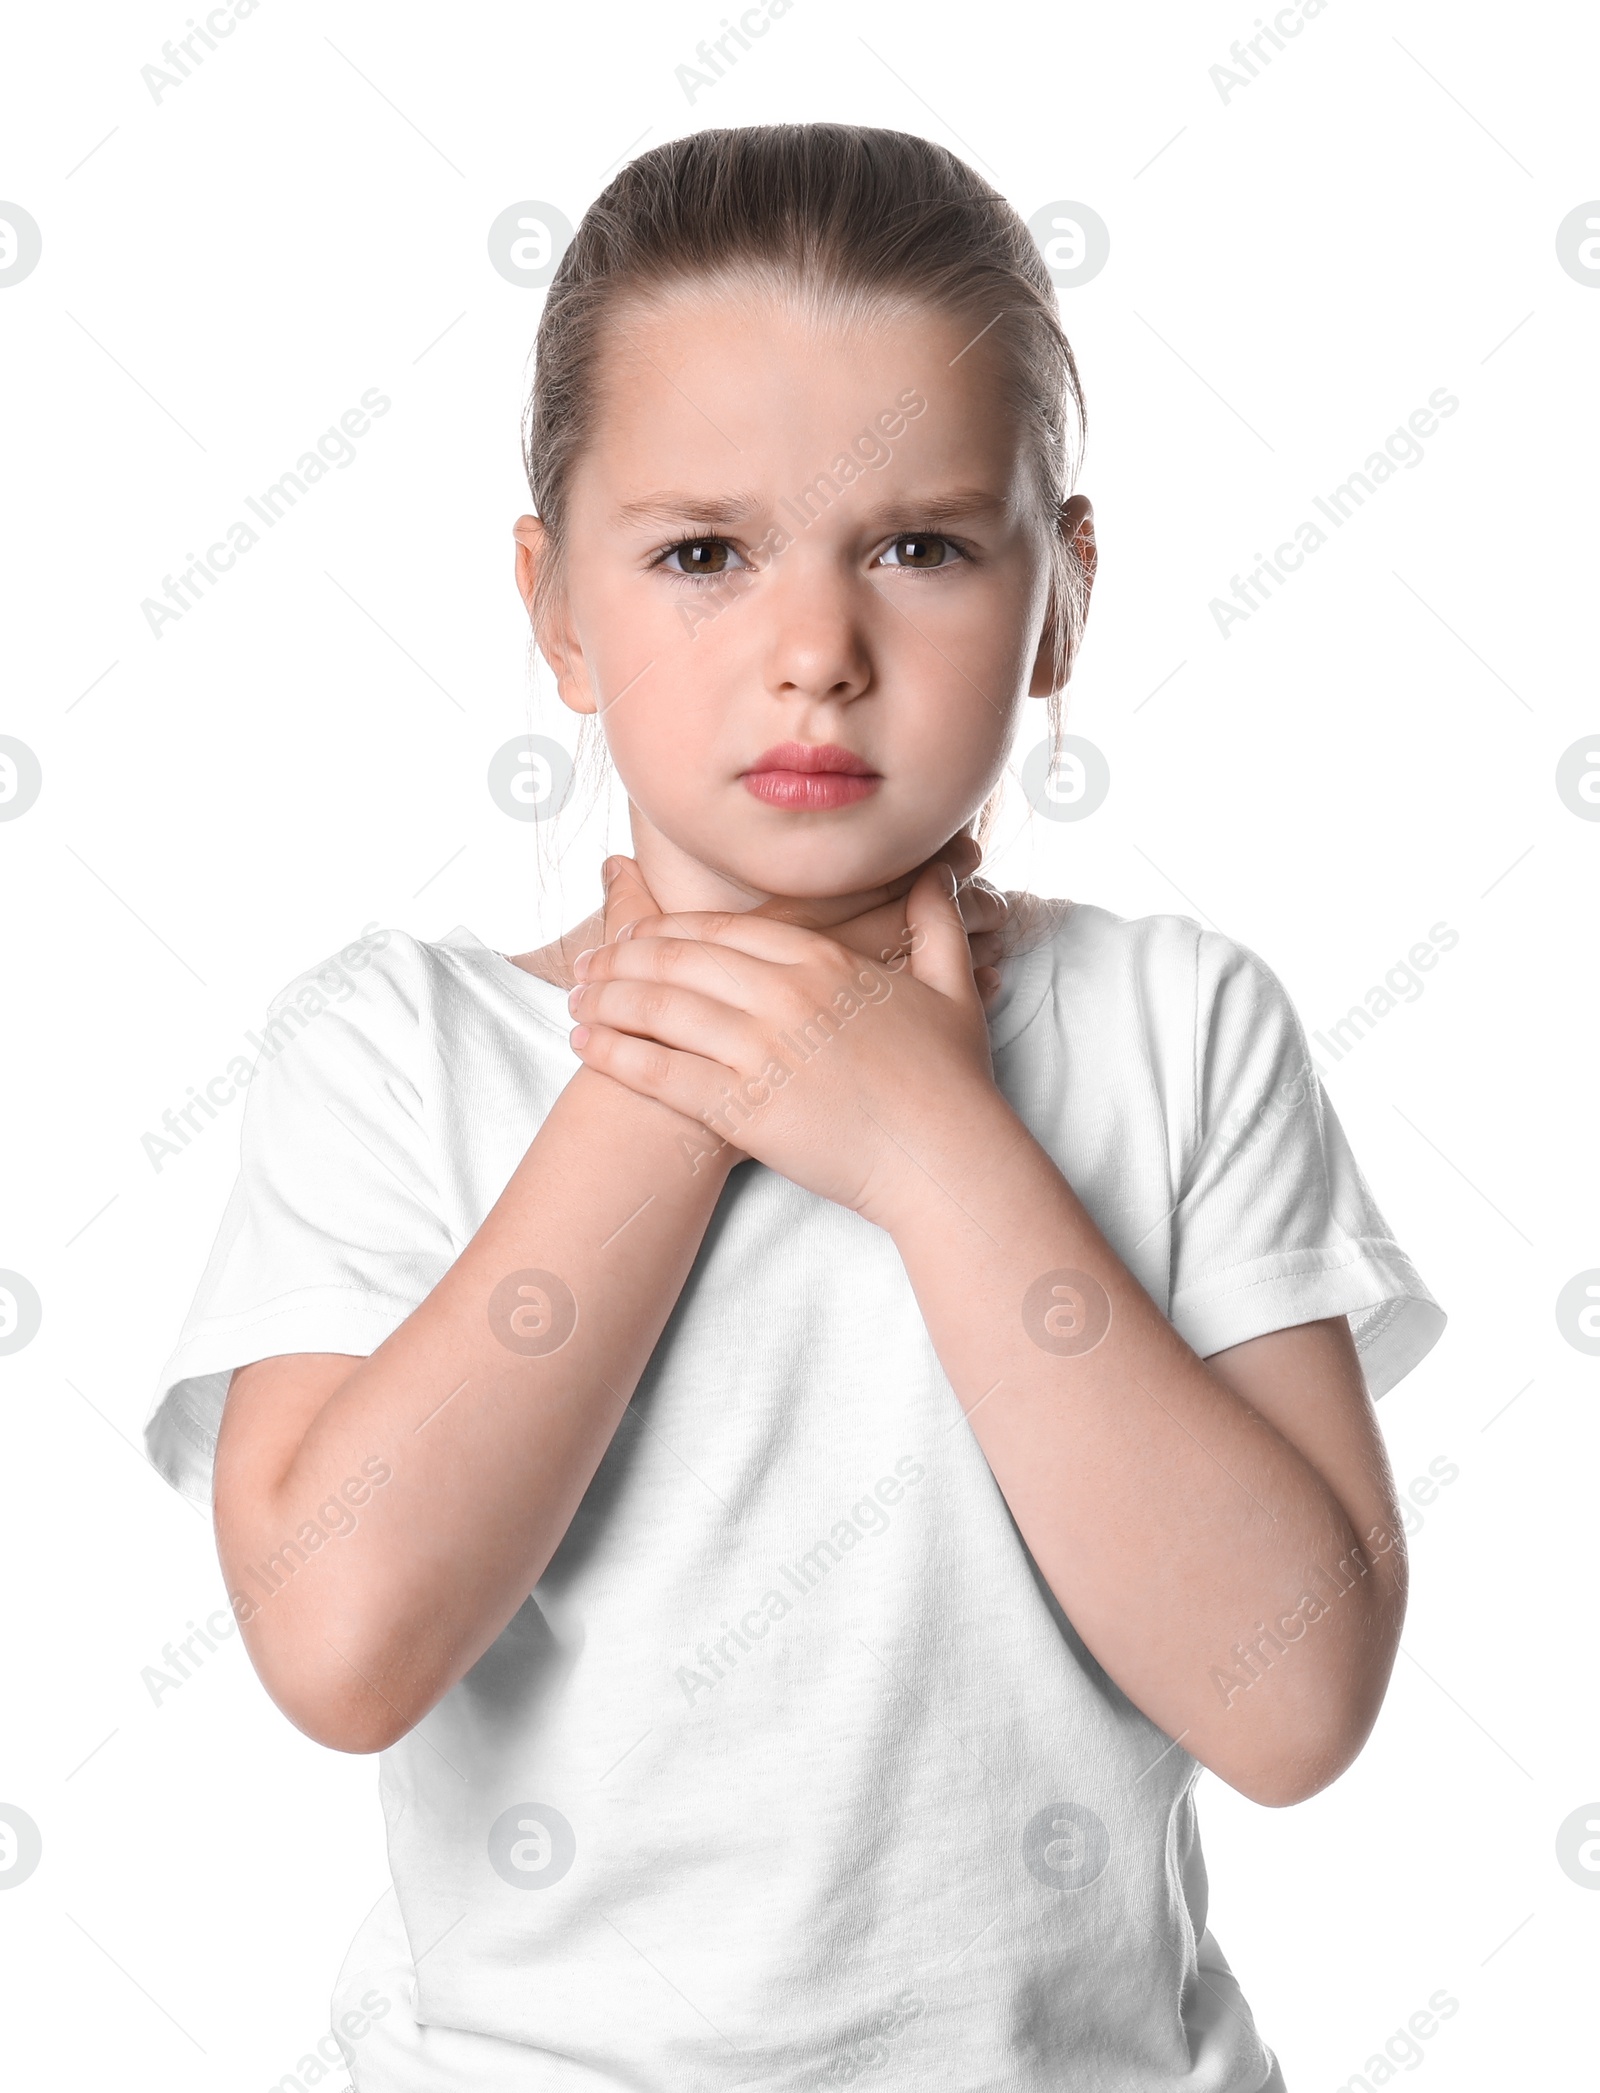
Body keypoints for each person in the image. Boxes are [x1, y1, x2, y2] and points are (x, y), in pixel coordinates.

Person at [143, 122, 1446, 2092]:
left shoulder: (1175, 1027)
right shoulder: (390, 1054)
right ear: (558, 609)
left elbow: (1290, 1702)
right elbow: (340, 1645)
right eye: (698, 555)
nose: (815, 653)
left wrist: (930, 1146)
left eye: (918, 546)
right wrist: (695, 1071)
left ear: (1060, 596)